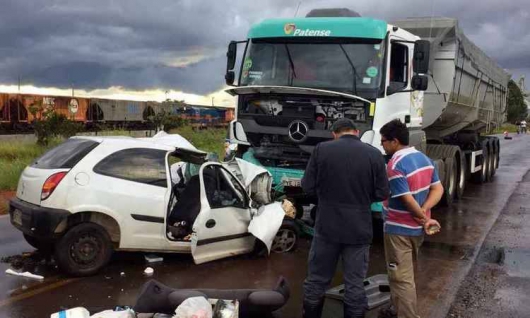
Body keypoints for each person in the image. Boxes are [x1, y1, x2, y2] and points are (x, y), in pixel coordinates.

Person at [301, 118, 389, 318]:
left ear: (334, 133)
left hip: (326, 227)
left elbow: (307, 186)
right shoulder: (374, 154)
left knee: (317, 280)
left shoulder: (321, 150)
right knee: (354, 284)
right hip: (358, 229)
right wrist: (362, 199)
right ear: (357, 132)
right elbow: (383, 192)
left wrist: (325, 197)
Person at [378, 119, 444, 318]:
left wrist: (422, 217)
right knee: (405, 273)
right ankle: (394, 309)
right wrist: (425, 211)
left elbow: (406, 199)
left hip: (399, 230)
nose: (382, 144)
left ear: (394, 141)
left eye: (383, 141)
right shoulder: (424, 158)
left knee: (401, 279)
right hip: (417, 231)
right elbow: (437, 188)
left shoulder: (395, 164)